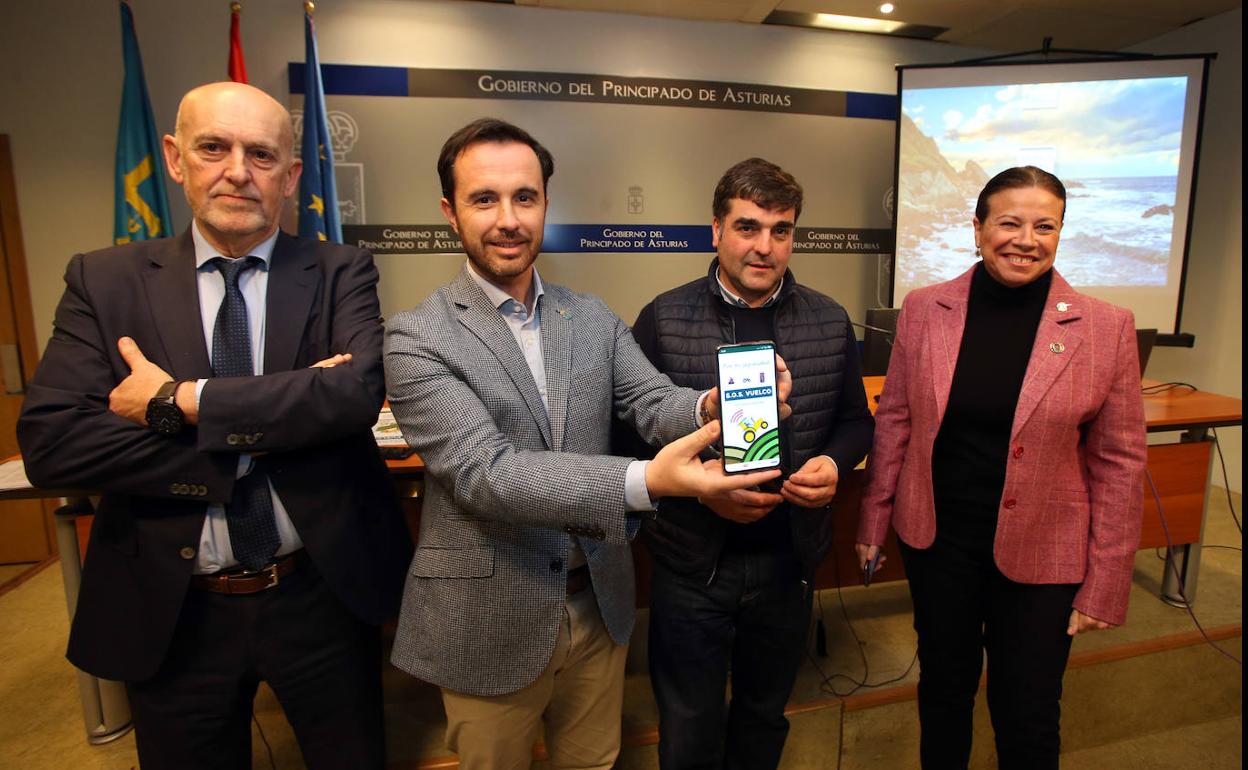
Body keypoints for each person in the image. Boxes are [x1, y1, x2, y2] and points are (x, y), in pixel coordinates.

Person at [17, 82, 411, 770]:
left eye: (261, 154)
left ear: (290, 177)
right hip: (173, 607)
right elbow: (53, 443)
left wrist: (177, 402)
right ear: (175, 159)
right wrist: (274, 422)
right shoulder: (105, 283)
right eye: (213, 148)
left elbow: (351, 397)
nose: (237, 171)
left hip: (318, 595)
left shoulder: (339, 269)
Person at [383, 119, 789, 770]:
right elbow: (489, 474)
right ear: (449, 213)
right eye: (484, 199)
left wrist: (711, 405)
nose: (508, 219)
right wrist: (649, 481)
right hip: (490, 616)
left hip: (598, 608)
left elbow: (651, 400)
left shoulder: (592, 316)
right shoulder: (416, 337)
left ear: (546, 202)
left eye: (525, 197)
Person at [856, 166, 1148, 769]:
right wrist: (871, 522)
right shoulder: (923, 309)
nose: (1026, 239)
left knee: (1029, 712)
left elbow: (1120, 462)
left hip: (1045, 556)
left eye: (1045, 226)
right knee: (943, 695)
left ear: (1061, 232)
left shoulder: (1105, 327)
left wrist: (1107, 580)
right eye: (1009, 222)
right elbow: (897, 424)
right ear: (978, 228)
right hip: (941, 545)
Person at [623, 157, 874, 769]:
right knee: (687, 727)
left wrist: (836, 466)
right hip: (691, 564)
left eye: (781, 230)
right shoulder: (662, 317)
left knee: (764, 719)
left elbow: (855, 420)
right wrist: (701, 492)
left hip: (787, 562)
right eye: (748, 227)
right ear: (715, 230)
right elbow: (625, 435)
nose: (765, 247)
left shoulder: (829, 319)